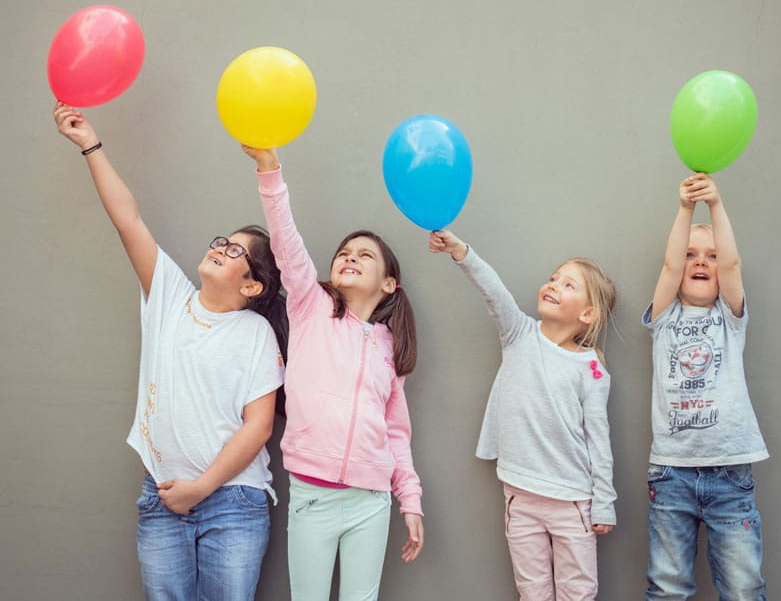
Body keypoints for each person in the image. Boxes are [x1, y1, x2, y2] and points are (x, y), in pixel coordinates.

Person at [53, 102, 288, 601]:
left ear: (252, 287)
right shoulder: (170, 298)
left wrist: (201, 489)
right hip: (161, 498)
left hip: (233, 502)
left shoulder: (255, 334)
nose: (220, 248)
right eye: (222, 241)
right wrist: (90, 144)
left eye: (236, 253)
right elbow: (128, 220)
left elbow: (258, 426)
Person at [241, 145, 424, 601]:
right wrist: (270, 169)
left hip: (371, 502)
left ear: (388, 284)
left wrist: (411, 501)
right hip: (312, 496)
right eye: (344, 252)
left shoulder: (388, 347)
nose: (350, 257)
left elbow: (397, 432)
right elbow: (286, 240)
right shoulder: (310, 306)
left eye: (365, 255)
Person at [429, 230, 616, 601]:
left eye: (568, 284)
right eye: (553, 278)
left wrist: (605, 502)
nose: (553, 285)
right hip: (520, 494)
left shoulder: (591, 369)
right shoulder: (519, 334)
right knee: (532, 591)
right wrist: (461, 251)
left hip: (573, 500)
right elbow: (493, 291)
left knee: (578, 591)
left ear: (587, 313)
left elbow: (599, 439)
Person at [644, 173, 768, 600]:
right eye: (691, 255)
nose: (699, 262)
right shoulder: (662, 317)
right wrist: (684, 209)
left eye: (710, 256)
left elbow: (732, 265)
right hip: (671, 472)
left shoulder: (731, 318)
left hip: (731, 472)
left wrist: (714, 205)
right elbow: (668, 265)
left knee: (743, 587)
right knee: (667, 585)